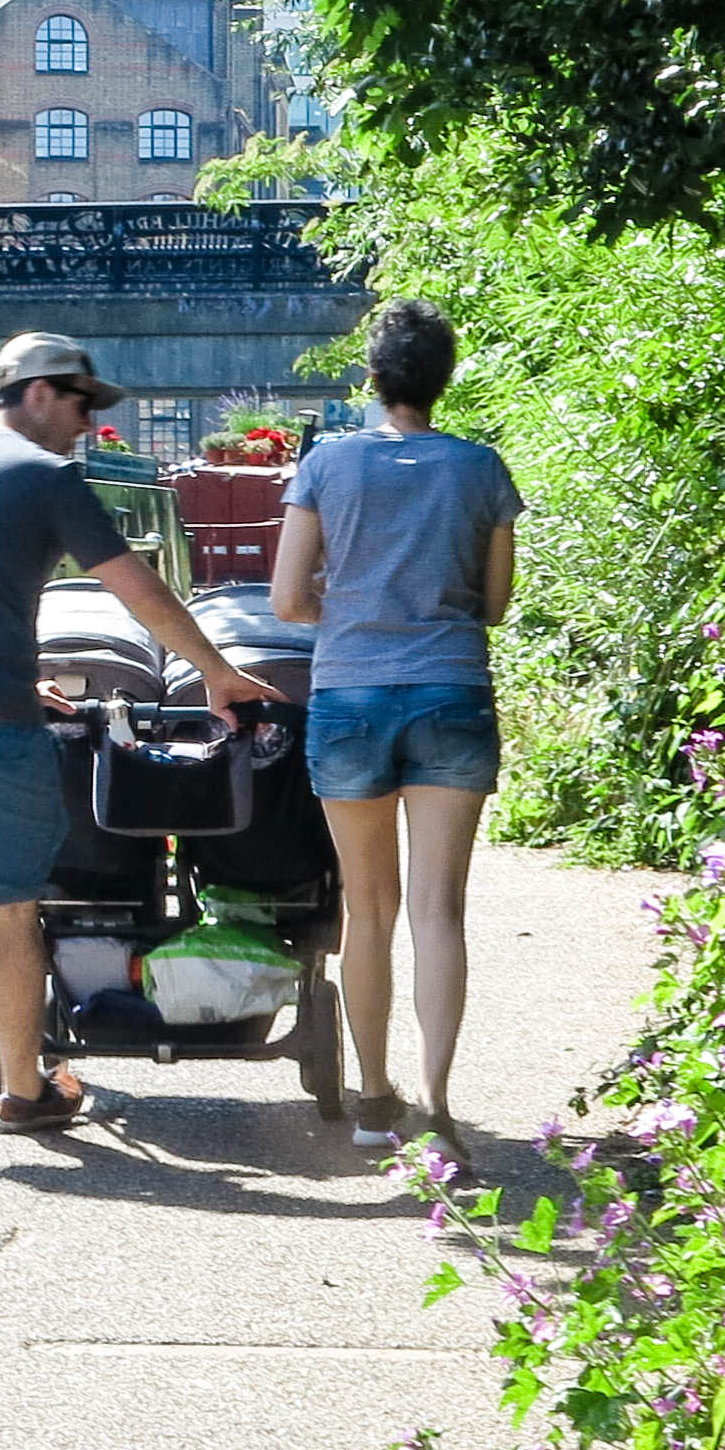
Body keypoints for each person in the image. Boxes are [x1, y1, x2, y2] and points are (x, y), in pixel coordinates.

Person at [0, 333, 274, 1167]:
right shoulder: (45, 477)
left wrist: (21, 672)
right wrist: (219, 674)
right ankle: (23, 1090)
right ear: (37, 392)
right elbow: (140, 590)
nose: (86, 425)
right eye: (83, 404)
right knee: (10, 915)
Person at [270, 299, 521, 1147]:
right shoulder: (481, 470)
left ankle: (375, 1100)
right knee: (438, 910)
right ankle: (440, 1102)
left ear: (372, 379)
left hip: (350, 698)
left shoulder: (327, 467)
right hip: (450, 690)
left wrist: (349, 606)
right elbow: (493, 603)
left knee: (367, 910)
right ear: (443, 380)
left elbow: (287, 599)